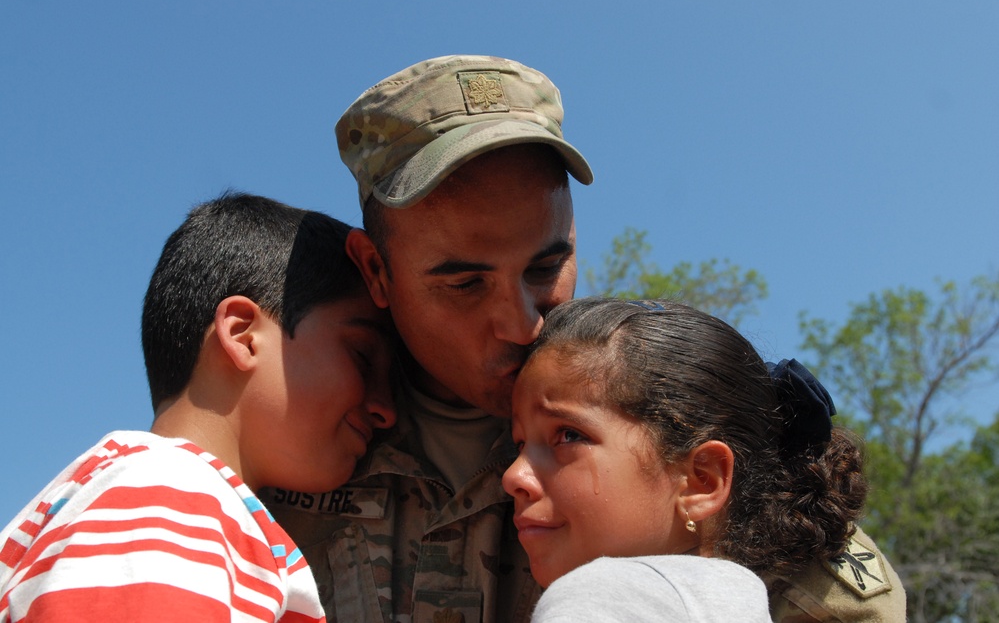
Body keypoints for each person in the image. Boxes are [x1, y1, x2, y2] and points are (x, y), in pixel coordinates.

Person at [263, 54, 905, 623]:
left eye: (546, 268)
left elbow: (856, 605)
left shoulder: (645, 403)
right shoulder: (302, 429)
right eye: (464, 283)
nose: (522, 325)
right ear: (376, 269)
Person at [0, 193, 397, 622]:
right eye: (361, 355)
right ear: (243, 335)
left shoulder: (172, 498)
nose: (386, 408)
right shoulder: (165, 494)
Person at [502, 297, 906, 622]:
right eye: (520, 445)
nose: (513, 476)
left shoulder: (605, 598)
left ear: (702, 481)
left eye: (569, 435)